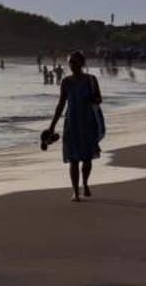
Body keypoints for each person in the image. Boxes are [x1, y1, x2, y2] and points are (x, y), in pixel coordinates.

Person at [44, 50, 104, 201]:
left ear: (82, 63)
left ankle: (85, 182)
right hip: (71, 123)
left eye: (75, 62)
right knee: (73, 159)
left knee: (87, 158)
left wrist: (92, 98)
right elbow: (61, 104)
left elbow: (99, 99)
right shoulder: (66, 82)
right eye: (70, 62)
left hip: (88, 122)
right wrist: (52, 126)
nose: (72, 65)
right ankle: (76, 192)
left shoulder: (91, 79)